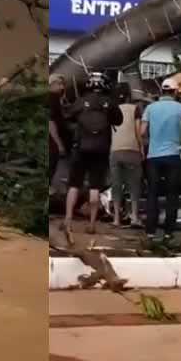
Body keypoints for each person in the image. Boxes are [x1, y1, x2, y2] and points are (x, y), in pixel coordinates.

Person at [63, 71, 122, 238]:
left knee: (74, 184)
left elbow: (68, 116)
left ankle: (68, 220)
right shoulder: (110, 103)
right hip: (101, 149)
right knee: (95, 186)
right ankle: (92, 224)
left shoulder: (81, 101)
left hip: (80, 148)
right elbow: (119, 120)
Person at [141, 77, 181, 240]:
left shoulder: (150, 108)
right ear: (176, 92)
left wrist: (150, 141)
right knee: (171, 194)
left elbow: (142, 132)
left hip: (153, 156)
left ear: (161, 91)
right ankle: (169, 232)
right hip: (173, 155)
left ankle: (150, 231)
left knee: (153, 193)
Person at [109, 95, 145, 228]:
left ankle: (117, 219)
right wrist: (141, 148)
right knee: (134, 185)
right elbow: (137, 131)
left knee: (116, 185)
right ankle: (134, 217)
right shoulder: (135, 109)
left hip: (115, 151)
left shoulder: (112, 109)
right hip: (132, 150)